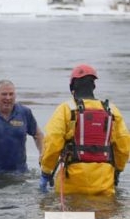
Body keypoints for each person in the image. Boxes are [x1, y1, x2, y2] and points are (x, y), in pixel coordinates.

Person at [39, 64, 130, 195]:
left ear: (72, 87)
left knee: (63, 212)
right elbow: (124, 147)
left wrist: (46, 172)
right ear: (94, 86)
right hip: (104, 183)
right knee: (104, 214)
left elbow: (53, 142)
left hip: (71, 184)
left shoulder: (65, 109)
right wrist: (117, 171)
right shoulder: (112, 110)